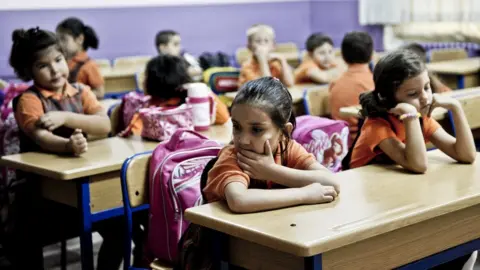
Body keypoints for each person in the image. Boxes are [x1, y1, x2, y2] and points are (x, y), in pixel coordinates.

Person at [7, 27, 132, 270]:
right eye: (43, 66)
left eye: (58, 60)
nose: (54, 70)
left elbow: (104, 123)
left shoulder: (82, 91)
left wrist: (65, 118)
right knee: (25, 238)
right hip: (40, 192)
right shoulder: (29, 100)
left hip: (80, 184)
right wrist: (67, 145)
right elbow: (41, 136)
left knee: (121, 226)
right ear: (28, 71)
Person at [203, 77, 339, 213]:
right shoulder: (233, 157)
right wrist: (304, 194)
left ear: (284, 132)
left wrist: (272, 171)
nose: (243, 140)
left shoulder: (288, 148)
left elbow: (332, 183)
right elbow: (239, 199)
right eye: (237, 127)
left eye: (256, 130)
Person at [349, 49, 476, 172]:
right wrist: (411, 116)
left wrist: (456, 108)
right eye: (412, 94)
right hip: (367, 186)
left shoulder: (422, 120)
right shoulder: (377, 126)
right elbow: (419, 165)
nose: (425, 98)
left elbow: (467, 155)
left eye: (427, 87)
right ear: (388, 98)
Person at [124, 54, 230, 135]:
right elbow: (224, 117)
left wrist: (202, 92)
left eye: (145, 76)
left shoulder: (149, 111)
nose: (143, 81)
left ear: (152, 82)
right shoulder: (149, 108)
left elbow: (223, 118)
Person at [329, 31, 374, 145]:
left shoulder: (335, 84)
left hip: (340, 143)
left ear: (343, 57)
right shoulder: (374, 83)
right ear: (372, 55)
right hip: (364, 145)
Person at [56, 17, 105, 99]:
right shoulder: (62, 62)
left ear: (80, 39)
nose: (60, 44)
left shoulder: (89, 65)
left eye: (64, 39)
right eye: (58, 40)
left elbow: (100, 93)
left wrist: (78, 96)